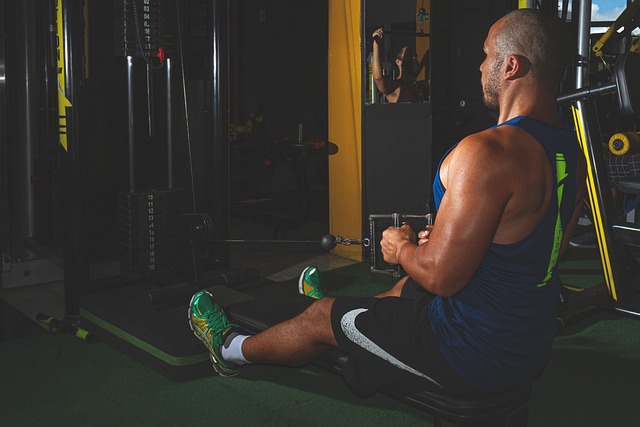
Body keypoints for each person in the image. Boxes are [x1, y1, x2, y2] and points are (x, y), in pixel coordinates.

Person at [189, 9, 586, 396]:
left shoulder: (488, 152)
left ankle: (230, 348)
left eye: (486, 55)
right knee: (406, 289)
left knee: (320, 316)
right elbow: (548, 246)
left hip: (468, 354)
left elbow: (441, 278)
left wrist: (402, 248)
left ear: (511, 66)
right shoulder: (570, 149)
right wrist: (450, 240)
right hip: (530, 346)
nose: (480, 67)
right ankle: (348, 314)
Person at [370, 28, 427, 103]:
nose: (413, 58)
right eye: (409, 55)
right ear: (398, 62)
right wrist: (376, 45)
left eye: (415, 56)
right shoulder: (394, 87)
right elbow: (378, 78)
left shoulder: (421, 86)